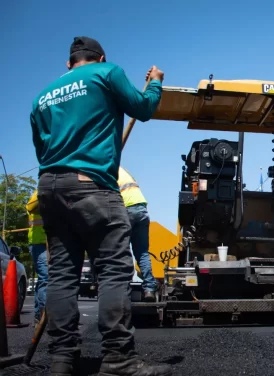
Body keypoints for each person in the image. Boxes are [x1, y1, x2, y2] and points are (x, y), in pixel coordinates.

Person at [30, 36, 171, 376]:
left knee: (63, 277)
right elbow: (143, 108)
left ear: (69, 64)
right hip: (91, 186)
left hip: (50, 186)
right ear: (101, 57)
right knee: (112, 271)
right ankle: (119, 359)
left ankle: (62, 360)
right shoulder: (106, 73)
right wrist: (155, 84)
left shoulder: (41, 98)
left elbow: (41, 148)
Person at [118, 166, 157, 302]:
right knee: (142, 252)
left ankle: (123, 289)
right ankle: (149, 289)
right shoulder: (125, 172)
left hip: (126, 209)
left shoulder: (107, 169)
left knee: (121, 251)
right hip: (141, 210)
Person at [26, 189, 48, 325]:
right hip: (39, 243)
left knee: (43, 280)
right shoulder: (39, 191)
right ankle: (45, 315)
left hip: (51, 242)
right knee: (46, 278)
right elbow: (31, 207)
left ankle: (38, 315)